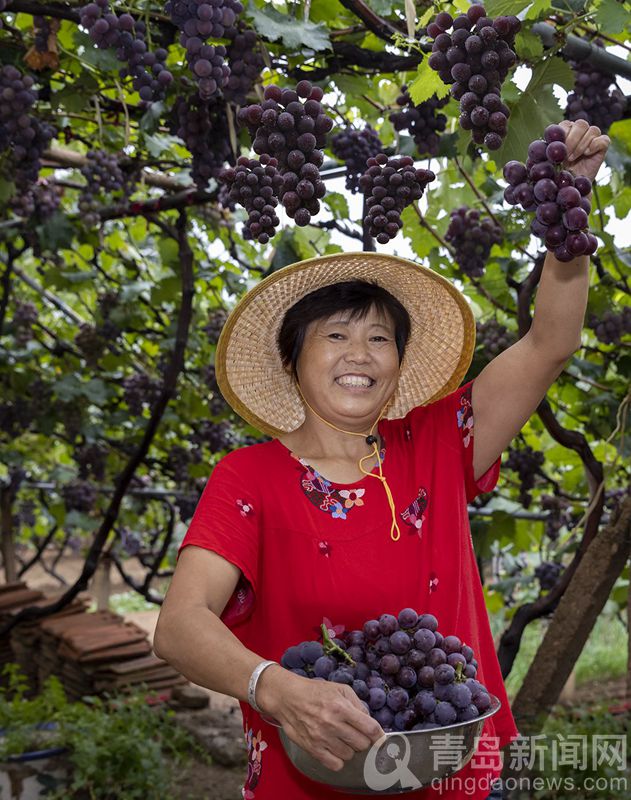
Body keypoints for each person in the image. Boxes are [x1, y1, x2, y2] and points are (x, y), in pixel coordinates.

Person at [153, 119, 609, 800]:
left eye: (378, 338)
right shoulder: (249, 478)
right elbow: (179, 625)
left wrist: (567, 199)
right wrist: (273, 688)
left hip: (462, 774)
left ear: (398, 364)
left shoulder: (436, 440)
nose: (359, 354)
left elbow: (550, 341)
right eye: (335, 335)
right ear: (292, 360)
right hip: (308, 781)